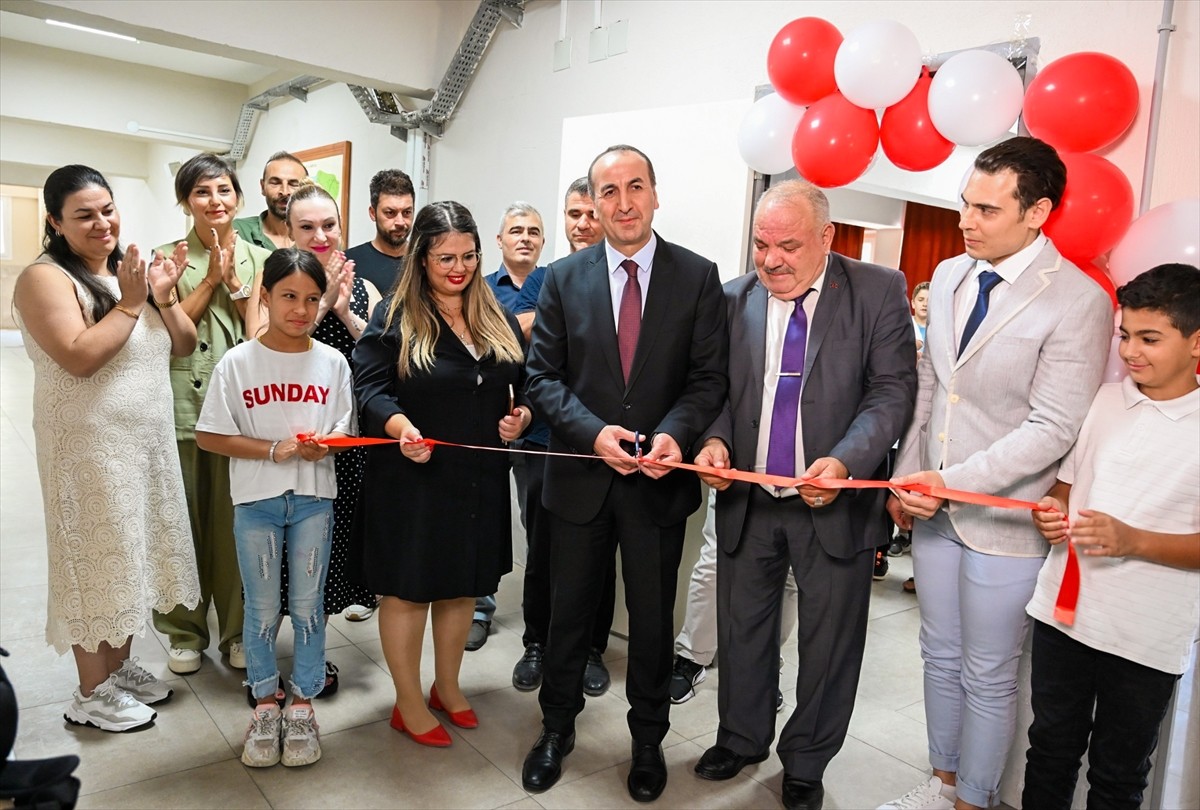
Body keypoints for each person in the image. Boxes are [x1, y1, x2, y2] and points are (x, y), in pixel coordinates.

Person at [880, 137, 1114, 810]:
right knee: (938, 656)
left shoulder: (1077, 300)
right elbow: (930, 385)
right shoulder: (951, 275)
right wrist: (906, 477)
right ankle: (942, 780)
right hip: (933, 510)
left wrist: (947, 481)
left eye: (986, 209)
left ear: (1038, 212)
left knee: (988, 672)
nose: (966, 221)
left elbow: (1052, 429)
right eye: (964, 205)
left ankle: (973, 799)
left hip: (1006, 522)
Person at [691, 180, 915, 810]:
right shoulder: (733, 300)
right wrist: (712, 442)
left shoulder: (876, 293)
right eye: (761, 245)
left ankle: (807, 760)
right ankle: (741, 736)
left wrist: (845, 461)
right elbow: (714, 394)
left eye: (788, 246)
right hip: (750, 503)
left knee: (829, 644)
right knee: (742, 632)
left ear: (827, 237)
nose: (771, 261)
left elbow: (891, 392)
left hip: (834, 505)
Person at [521, 144, 728, 802]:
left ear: (656, 194)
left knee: (649, 621)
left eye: (635, 187)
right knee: (567, 618)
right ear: (595, 202)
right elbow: (542, 379)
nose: (623, 202)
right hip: (580, 480)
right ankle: (555, 730)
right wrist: (592, 432)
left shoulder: (697, 277)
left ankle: (647, 740)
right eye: (608, 191)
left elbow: (708, 380)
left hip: (657, 486)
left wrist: (674, 433)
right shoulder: (562, 277)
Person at [13, 164, 200, 732]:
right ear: (55, 221)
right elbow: (79, 355)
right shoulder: (44, 278)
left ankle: (117, 673)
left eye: (107, 209)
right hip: (89, 450)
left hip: (143, 444)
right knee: (93, 561)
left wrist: (161, 299)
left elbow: (183, 346)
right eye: (84, 215)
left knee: (129, 557)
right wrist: (129, 301)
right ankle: (90, 693)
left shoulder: (127, 273)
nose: (102, 223)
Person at [352, 201, 530, 748]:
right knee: (409, 591)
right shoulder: (396, 317)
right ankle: (407, 702)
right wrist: (401, 426)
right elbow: (369, 390)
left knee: (461, 587)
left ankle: (447, 687)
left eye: (469, 256)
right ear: (420, 257)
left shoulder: (494, 312)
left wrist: (521, 417)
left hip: (478, 476)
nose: (459, 268)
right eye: (445, 257)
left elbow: (519, 384)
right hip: (413, 477)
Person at [1022, 263, 1200, 810]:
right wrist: (1049, 512)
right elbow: (1066, 486)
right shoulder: (1105, 399)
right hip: (1064, 613)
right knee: (1049, 749)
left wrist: (1134, 541)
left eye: (1150, 338)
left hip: (1144, 634)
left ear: (1197, 342)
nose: (1129, 351)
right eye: (1125, 335)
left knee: (1118, 775)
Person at [196, 248, 356, 768]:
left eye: (312, 299)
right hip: (257, 502)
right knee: (262, 610)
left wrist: (324, 444)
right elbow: (209, 435)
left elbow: (343, 429)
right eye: (288, 296)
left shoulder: (333, 363)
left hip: (313, 500)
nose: (301, 309)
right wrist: (273, 449)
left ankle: (304, 703)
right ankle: (266, 701)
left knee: (309, 608)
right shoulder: (238, 362)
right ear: (264, 297)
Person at [244, 180, 380, 703]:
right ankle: (260, 663)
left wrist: (345, 309)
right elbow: (259, 345)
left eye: (329, 225)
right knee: (269, 562)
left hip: (336, 446)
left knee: (319, 562)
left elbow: (383, 354)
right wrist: (319, 304)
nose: (321, 235)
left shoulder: (363, 287)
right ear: (288, 229)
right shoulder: (275, 277)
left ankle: (310, 659)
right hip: (275, 449)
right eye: (307, 227)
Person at [153, 153, 272, 677]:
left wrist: (239, 286)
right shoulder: (165, 259)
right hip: (182, 403)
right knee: (182, 524)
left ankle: (239, 633)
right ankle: (183, 631)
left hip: (242, 414)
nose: (215, 202)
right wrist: (209, 282)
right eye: (202, 192)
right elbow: (172, 339)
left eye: (223, 191)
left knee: (237, 526)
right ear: (185, 201)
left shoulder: (261, 257)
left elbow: (259, 337)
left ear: (238, 198)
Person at [510, 188, 617, 696]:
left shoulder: (623, 284)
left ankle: (592, 649)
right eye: (574, 214)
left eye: (591, 214)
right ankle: (537, 643)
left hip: (602, 444)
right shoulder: (547, 279)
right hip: (542, 439)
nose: (583, 223)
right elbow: (521, 339)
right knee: (543, 547)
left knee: (600, 553)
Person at [465, 201, 548, 653]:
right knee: (484, 516)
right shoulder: (475, 289)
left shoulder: (556, 284)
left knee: (538, 521)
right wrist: (532, 324)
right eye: (516, 230)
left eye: (534, 231)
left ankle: (541, 620)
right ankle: (479, 609)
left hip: (537, 424)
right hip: (487, 423)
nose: (525, 238)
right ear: (498, 241)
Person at [344, 169, 415, 295]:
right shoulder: (349, 263)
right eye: (390, 213)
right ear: (373, 213)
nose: (400, 222)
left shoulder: (424, 261)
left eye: (407, 213)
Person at [233, 151, 308, 250]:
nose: (284, 192)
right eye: (275, 183)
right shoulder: (238, 231)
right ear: (262, 187)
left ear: (306, 189)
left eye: (293, 184)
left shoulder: (316, 236)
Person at [561, 176, 601, 254]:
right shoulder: (553, 266)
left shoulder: (625, 265)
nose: (582, 225)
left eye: (593, 216)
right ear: (565, 216)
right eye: (575, 215)